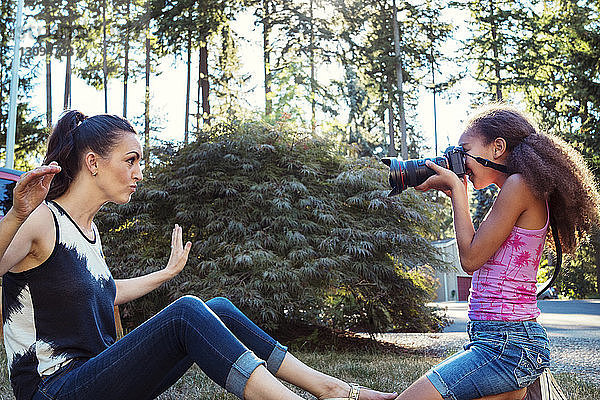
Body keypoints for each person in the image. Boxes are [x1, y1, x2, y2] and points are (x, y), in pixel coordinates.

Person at [0, 110, 398, 400]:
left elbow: (100, 291)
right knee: (188, 311)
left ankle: (331, 389)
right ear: (93, 163)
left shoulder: (86, 230)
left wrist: (166, 272)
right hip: (54, 389)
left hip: (95, 378)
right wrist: (17, 213)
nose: (140, 173)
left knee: (218, 309)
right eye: (131, 160)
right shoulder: (40, 221)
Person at [395, 105, 600, 400]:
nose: (461, 162)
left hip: (506, 344)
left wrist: (458, 192)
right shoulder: (518, 189)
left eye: (464, 151)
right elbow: (479, 252)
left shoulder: (519, 186)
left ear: (497, 148)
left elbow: (470, 258)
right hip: (498, 341)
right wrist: (456, 190)